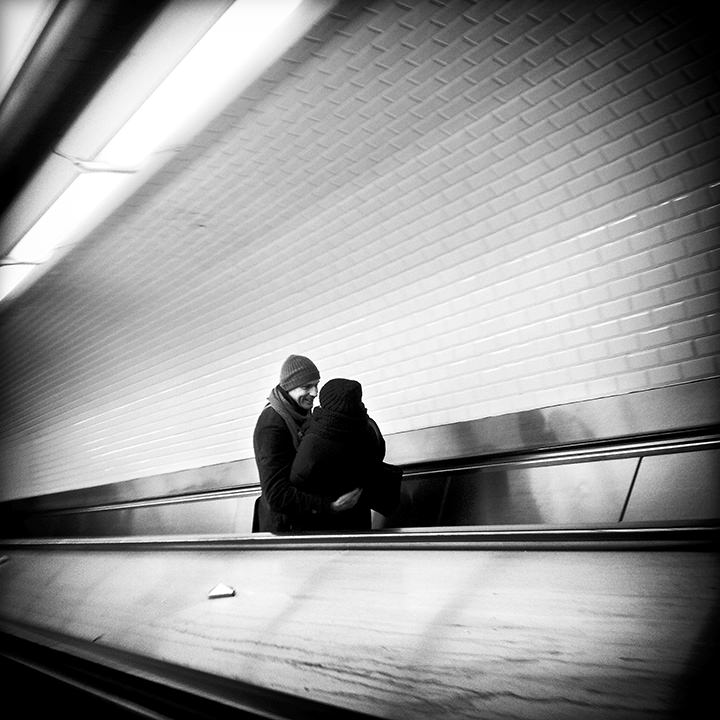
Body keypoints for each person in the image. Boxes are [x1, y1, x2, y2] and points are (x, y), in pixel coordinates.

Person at [252, 354, 362, 532]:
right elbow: (276, 494)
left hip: (303, 523)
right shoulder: (271, 424)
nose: (315, 392)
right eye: (306, 386)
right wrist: (331, 506)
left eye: (316, 384)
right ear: (289, 387)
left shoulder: (302, 414)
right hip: (284, 529)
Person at [289, 377, 402, 531]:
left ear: (326, 401)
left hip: (324, 525)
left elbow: (296, 480)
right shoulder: (369, 428)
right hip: (359, 518)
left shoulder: (315, 440)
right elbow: (379, 453)